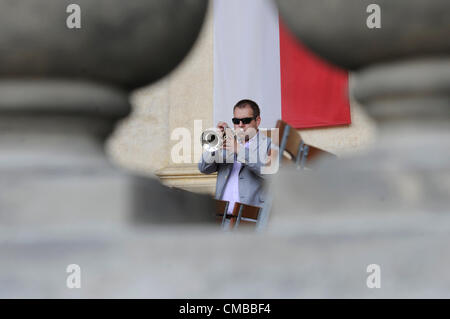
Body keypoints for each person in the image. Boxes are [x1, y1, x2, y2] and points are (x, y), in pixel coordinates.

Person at [198, 99, 272, 220]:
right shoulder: (227, 142)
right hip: (222, 219)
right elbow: (203, 168)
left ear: (257, 121)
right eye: (236, 121)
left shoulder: (269, 144)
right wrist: (215, 144)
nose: (241, 125)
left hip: (249, 220)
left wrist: (239, 150)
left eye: (246, 120)